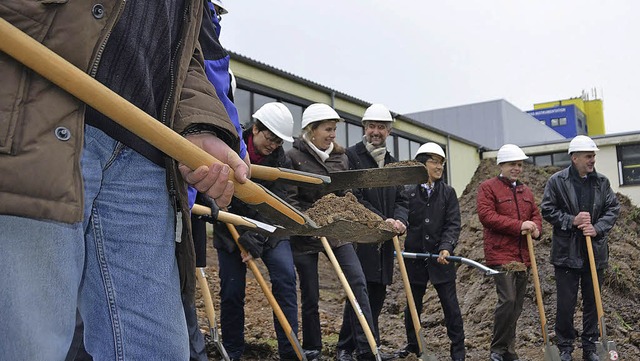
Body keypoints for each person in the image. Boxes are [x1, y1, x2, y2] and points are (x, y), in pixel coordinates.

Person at [0, 2, 250, 360]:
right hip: (37, 109)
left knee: (157, 349)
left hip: (144, 153)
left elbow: (184, 54)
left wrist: (200, 125)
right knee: (26, 344)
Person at [287, 103, 378, 361]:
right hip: (306, 235)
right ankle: (313, 347)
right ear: (311, 130)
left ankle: (365, 347)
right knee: (311, 294)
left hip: (337, 233)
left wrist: (348, 217)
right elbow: (291, 199)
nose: (332, 135)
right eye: (328, 129)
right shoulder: (294, 157)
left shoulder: (341, 157)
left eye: (334, 130)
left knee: (357, 282)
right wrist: (309, 223)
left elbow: (347, 195)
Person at [213, 102, 300, 361]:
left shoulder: (280, 161)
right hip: (230, 226)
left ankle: (290, 351)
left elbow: (278, 203)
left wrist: (256, 238)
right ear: (256, 129)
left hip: (269, 229)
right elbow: (218, 193)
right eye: (269, 138)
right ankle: (233, 351)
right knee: (231, 290)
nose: (273, 145)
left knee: (285, 279)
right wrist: (241, 236)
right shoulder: (229, 146)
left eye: (278, 141)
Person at [338, 103, 408, 361]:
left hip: (386, 241)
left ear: (388, 131)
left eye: (381, 127)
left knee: (377, 293)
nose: (376, 131)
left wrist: (400, 221)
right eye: (371, 126)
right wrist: (382, 220)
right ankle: (350, 347)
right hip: (362, 237)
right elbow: (352, 196)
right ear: (364, 128)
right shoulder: (352, 157)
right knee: (360, 292)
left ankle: (361, 345)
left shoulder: (392, 163)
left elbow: (402, 199)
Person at [540, 135, 620, 361]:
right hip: (566, 253)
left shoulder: (602, 183)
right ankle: (565, 347)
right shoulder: (557, 182)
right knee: (565, 304)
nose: (592, 160)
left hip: (595, 252)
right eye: (588, 156)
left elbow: (613, 209)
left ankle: (590, 347)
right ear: (574, 158)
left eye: (593, 155)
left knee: (593, 303)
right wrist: (571, 220)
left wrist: (597, 228)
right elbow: (547, 210)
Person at [396, 143, 465, 361]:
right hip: (415, 259)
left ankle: (458, 351)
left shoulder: (447, 193)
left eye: (441, 162)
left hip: (440, 259)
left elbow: (453, 224)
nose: (439, 166)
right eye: (434, 161)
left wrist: (446, 247)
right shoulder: (408, 192)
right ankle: (413, 347)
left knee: (451, 307)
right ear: (421, 164)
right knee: (413, 306)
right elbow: (402, 218)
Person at [476, 144, 542, 361]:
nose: (517, 168)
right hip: (501, 254)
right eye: (513, 164)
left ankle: (508, 350)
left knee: (517, 304)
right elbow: (487, 216)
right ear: (502, 165)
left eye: (520, 164)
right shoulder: (488, 187)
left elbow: (535, 214)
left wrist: (536, 229)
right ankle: (497, 349)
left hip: (523, 255)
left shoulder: (526, 191)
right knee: (508, 300)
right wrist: (519, 225)